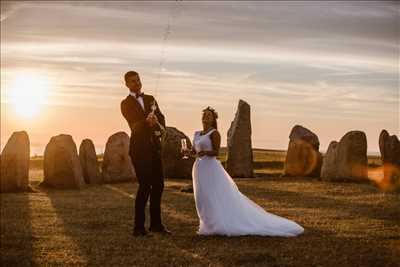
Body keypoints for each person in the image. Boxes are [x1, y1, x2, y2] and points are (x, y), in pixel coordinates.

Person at [182, 106, 304, 236]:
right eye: (204, 115)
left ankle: (218, 224)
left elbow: (216, 152)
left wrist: (205, 152)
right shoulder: (196, 134)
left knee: (213, 196)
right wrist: (187, 152)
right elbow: (194, 152)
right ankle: (207, 224)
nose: (205, 117)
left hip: (210, 168)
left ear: (213, 119)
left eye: (208, 115)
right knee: (202, 197)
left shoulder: (214, 133)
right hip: (199, 168)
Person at [120, 71, 170, 236]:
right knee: (144, 186)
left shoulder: (150, 99)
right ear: (127, 84)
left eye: (138, 80)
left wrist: (156, 123)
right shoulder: (125, 103)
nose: (137, 83)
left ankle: (156, 225)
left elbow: (162, 118)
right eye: (133, 81)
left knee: (159, 185)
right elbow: (134, 125)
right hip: (139, 150)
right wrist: (146, 122)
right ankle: (138, 227)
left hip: (154, 148)